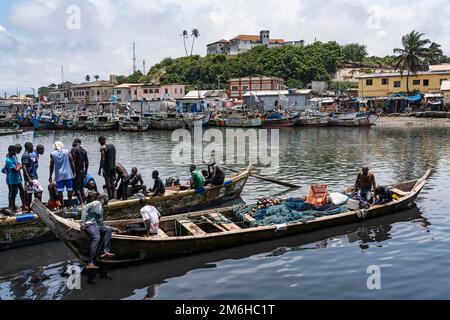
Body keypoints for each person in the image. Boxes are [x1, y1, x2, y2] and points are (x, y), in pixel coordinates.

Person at [81, 195, 114, 269]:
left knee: (108, 230)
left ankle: (105, 251)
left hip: (95, 225)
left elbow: (101, 224)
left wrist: (114, 229)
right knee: (96, 238)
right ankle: (90, 263)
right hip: (89, 224)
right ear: (103, 199)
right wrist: (83, 222)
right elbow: (85, 207)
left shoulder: (101, 209)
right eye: (105, 201)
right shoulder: (96, 203)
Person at [49, 141, 76, 208]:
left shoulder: (52, 154)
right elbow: (72, 161)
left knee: (60, 191)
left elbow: (51, 165)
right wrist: (74, 172)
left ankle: (62, 205)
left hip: (59, 175)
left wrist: (50, 175)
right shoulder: (67, 152)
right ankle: (69, 205)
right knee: (70, 190)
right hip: (68, 174)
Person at [2, 145, 26, 214]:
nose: (16, 152)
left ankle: (23, 205)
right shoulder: (8, 160)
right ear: (11, 151)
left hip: (18, 178)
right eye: (15, 150)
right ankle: (13, 207)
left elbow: (19, 165)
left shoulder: (13, 157)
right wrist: (18, 166)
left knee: (22, 191)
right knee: (13, 193)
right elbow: (16, 169)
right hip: (12, 179)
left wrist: (18, 166)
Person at [22, 142, 44, 207]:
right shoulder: (30, 155)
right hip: (31, 177)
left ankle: (29, 207)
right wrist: (29, 178)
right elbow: (25, 167)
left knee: (29, 192)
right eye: (32, 146)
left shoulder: (29, 154)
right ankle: (39, 207)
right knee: (39, 190)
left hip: (30, 176)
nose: (33, 148)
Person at [71, 138, 89, 204]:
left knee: (76, 189)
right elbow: (87, 162)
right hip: (82, 171)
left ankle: (82, 203)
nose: (72, 143)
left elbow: (72, 161)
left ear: (76, 142)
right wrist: (85, 172)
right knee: (81, 188)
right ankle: (84, 201)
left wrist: (73, 172)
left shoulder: (74, 149)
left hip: (76, 172)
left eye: (73, 142)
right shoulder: (84, 151)